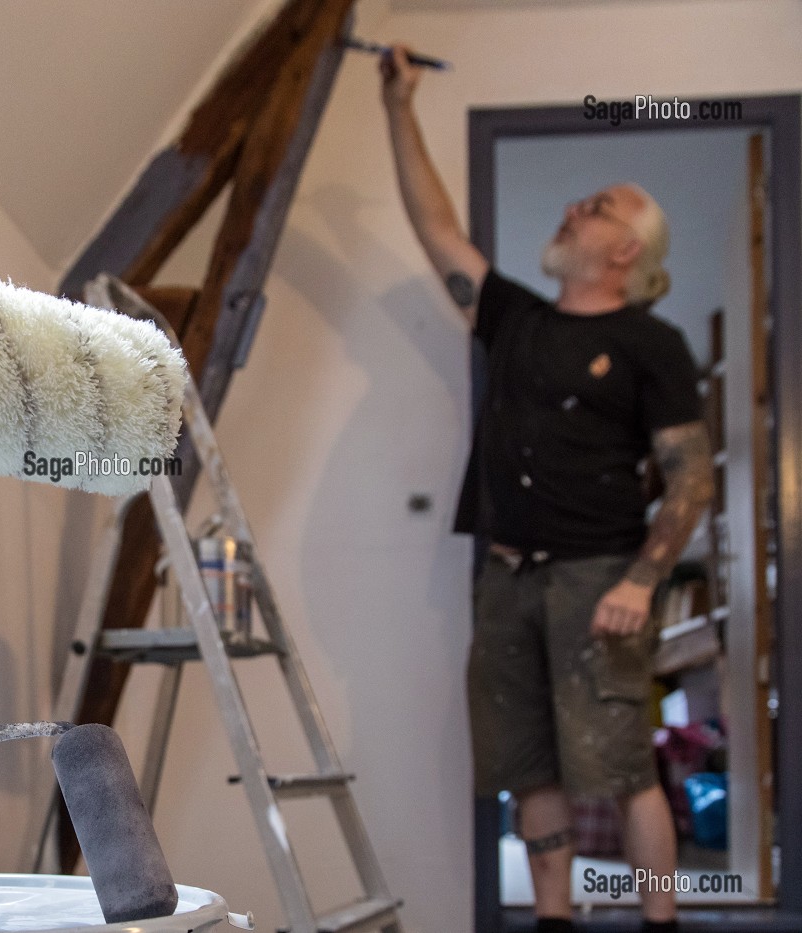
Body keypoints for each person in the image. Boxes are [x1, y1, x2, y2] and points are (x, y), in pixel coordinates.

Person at [379, 45, 715, 933]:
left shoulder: (654, 344)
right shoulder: (517, 318)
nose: (574, 208)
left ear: (627, 249)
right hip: (504, 579)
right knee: (530, 768)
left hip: (596, 579)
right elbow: (438, 229)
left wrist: (641, 582)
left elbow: (691, 478)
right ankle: (556, 920)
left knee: (621, 765)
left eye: (595, 207)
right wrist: (398, 106)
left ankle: (662, 920)